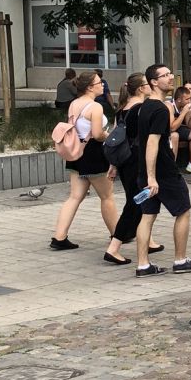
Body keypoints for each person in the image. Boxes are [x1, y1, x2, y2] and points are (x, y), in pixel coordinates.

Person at [133, 64, 191, 277]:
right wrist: (152, 178)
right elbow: (152, 142)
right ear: (154, 82)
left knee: (147, 215)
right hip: (162, 171)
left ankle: (143, 265)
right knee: (183, 211)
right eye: (164, 75)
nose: (171, 77)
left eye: (170, 73)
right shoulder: (160, 109)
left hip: (145, 170)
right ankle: (180, 260)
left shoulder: (144, 106)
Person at [50, 71, 119, 250]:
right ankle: (118, 234)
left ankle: (59, 237)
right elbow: (97, 134)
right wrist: (109, 135)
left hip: (77, 152)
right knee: (107, 197)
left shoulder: (74, 104)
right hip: (94, 154)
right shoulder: (95, 107)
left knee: (74, 196)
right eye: (99, 82)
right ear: (90, 87)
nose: (102, 84)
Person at [103, 73, 164, 264]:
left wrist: (113, 165)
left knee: (139, 201)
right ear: (140, 89)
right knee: (136, 202)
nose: (150, 87)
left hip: (124, 161)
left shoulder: (122, 110)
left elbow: (116, 138)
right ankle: (114, 246)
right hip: (137, 161)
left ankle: (148, 240)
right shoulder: (141, 109)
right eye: (147, 84)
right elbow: (147, 139)